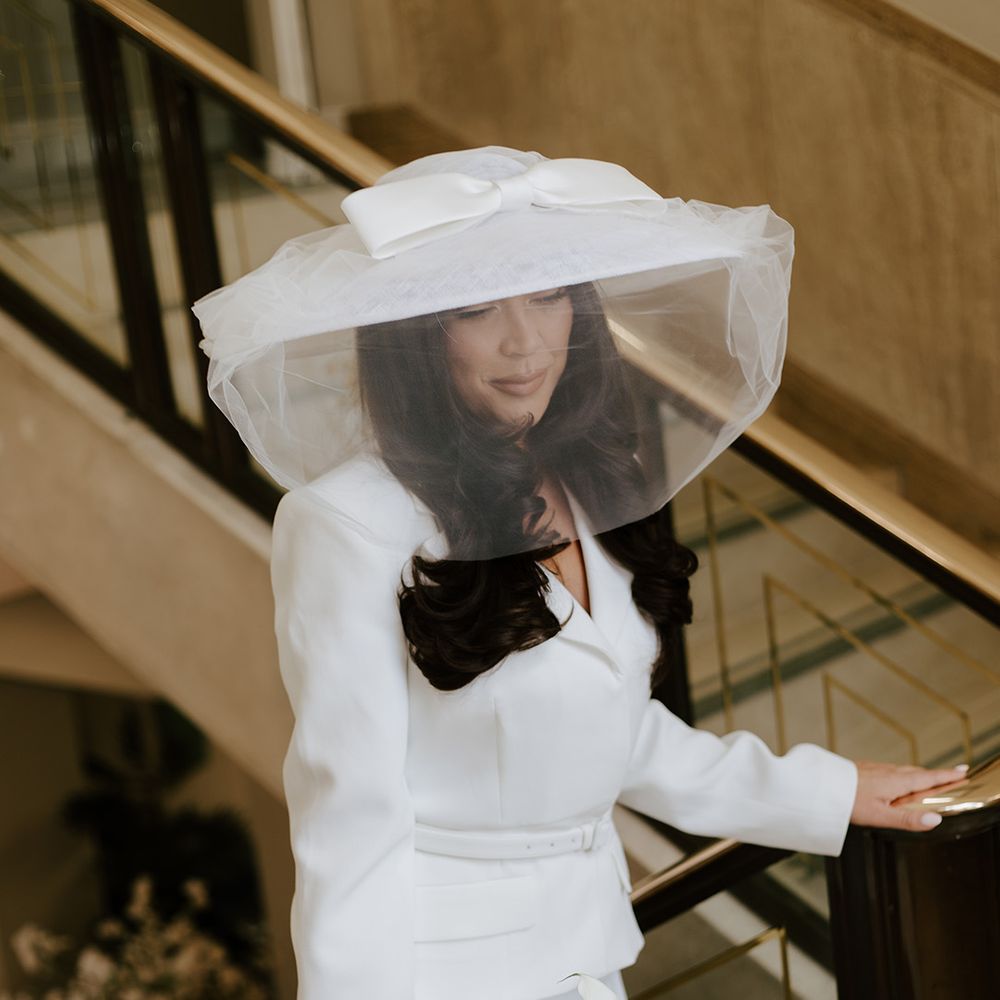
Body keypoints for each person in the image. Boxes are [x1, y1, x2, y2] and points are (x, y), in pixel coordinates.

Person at [191, 147, 966, 1000]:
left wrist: (831, 789)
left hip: (585, 953)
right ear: (415, 334)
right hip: (444, 974)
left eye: (551, 292)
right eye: (477, 308)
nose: (524, 341)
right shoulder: (350, 523)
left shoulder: (586, 479)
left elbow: (615, 737)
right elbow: (350, 818)